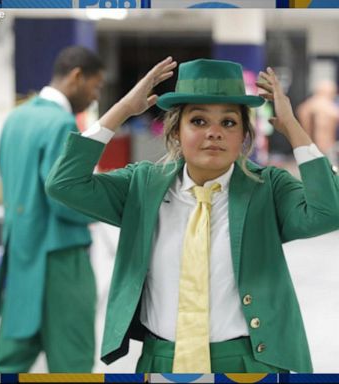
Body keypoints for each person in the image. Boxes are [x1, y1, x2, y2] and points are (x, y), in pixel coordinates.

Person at [46, 57, 339, 373]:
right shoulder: (141, 187)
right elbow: (65, 184)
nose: (214, 133)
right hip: (163, 361)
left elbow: (329, 211)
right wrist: (123, 110)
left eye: (228, 123)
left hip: (249, 363)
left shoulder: (267, 189)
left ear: (244, 136)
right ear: (175, 132)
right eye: (198, 121)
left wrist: (292, 127)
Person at [0, 46, 104, 373]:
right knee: (72, 365)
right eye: (95, 86)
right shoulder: (61, 123)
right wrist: (105, 205)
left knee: (9, 362)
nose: (94, 97)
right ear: (77, 76)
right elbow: (65, 199)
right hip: (61, 260)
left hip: (22, 255)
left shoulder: (16, 118)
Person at [297, 80, 339, 155]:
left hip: (310, 146)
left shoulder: (308, 106)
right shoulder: (329, 108)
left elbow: (300, 112)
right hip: (324, 147)